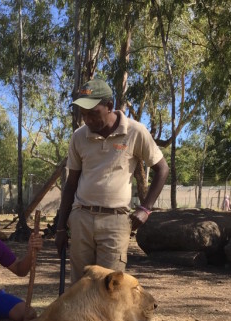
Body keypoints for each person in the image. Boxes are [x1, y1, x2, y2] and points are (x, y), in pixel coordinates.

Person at [55, 78, 169, 283]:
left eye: (92, 113)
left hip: (116, 221)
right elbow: (71, 184)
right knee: (80, 287)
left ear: (109, 106)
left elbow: (162, 169)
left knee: (110, 289)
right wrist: (61, 227)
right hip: (81, 218)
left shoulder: (135, 131)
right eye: (83, 114)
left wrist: (145, 209)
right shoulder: (78, 137)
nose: (87, 120)